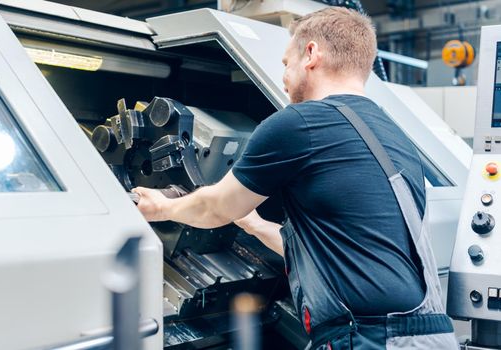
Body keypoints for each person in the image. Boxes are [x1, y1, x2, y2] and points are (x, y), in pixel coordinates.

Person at [132, 7, 458, 349]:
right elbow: (343, 249)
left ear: (312, 54)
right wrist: (255, 225)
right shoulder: (394, 135)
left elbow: (215, 208)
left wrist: (161, 207)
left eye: (286, 63)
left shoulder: (301, 123)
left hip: (369, 337)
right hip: (428, 336)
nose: (284, 76)